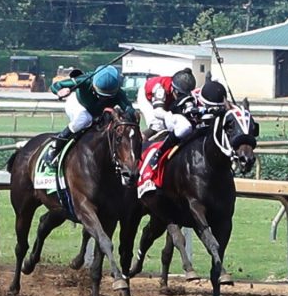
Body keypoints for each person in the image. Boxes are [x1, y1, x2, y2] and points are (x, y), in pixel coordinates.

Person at [135, 67, 200, 197]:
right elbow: (158, 112)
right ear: (174, 89)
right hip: (148, 100)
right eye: (180, 94)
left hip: (164, 102)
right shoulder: (160, 88)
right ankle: (140, 145)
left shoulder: (181, 89)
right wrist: (170, 118)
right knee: (158, 125)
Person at [47, 64, 131, 164]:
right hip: (79, 104)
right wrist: (59, 91)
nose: (103, 99)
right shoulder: (85, 80)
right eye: (100, 94)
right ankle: (56, 145)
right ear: (94, 84)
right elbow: (56, 85)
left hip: (97, 112)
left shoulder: (119, 93)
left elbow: (130, 110)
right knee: (84, 119)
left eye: (107, 97)